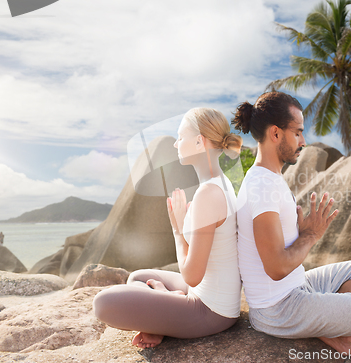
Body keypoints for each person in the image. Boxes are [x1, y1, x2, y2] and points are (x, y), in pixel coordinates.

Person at [232, 91, 351, 358]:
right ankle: (328, 325)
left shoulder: (271, 178)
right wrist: (310, 235)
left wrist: (298, 233)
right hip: (278, 308)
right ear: (276, 134)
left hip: (298, 288)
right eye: (297, 132)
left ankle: (330, 327)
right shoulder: (262, 186)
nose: (303, 140)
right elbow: (276, 268)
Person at [93, 107, 243, 348]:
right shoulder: (219, 183)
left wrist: (177, 229)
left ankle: (164, 308)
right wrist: (185, 225)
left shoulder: (209, 193)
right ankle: (161, 317)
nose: (175, 144)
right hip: (210, 297)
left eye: (180, 137)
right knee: (139, 277)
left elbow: (192, 276)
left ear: (198, 141)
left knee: (102, 303)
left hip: (209, 311)